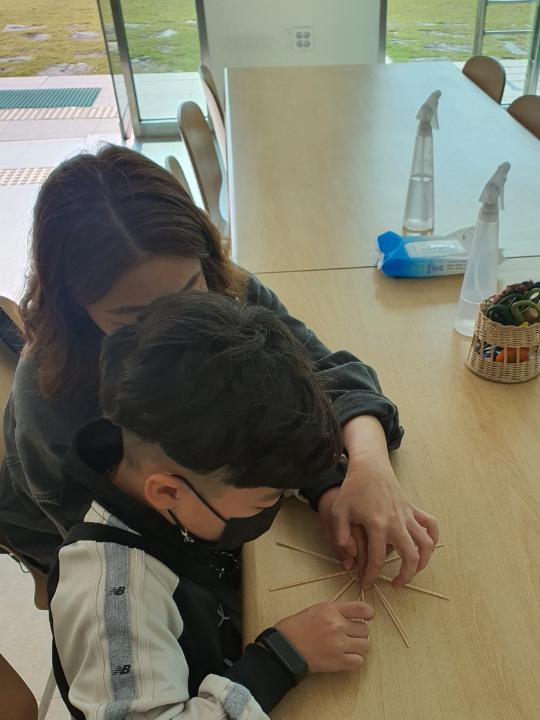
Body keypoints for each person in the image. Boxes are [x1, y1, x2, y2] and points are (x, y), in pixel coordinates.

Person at [0, 146, 438, 586]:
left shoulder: (227, 289)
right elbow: (105, 548)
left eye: (190, 291)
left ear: (206, 258)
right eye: (134, 316)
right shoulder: (50, 395)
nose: (176, 324)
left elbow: (319, 377)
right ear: (74, 308)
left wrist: (364, 468)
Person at [51, 291, 376, 720]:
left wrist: (328, 490)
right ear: (167, 493)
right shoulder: (114, 598)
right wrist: (281, 659)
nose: (271, 507)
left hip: (221, 681)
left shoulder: (166, 465)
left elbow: (242, 465)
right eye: (265, 499)